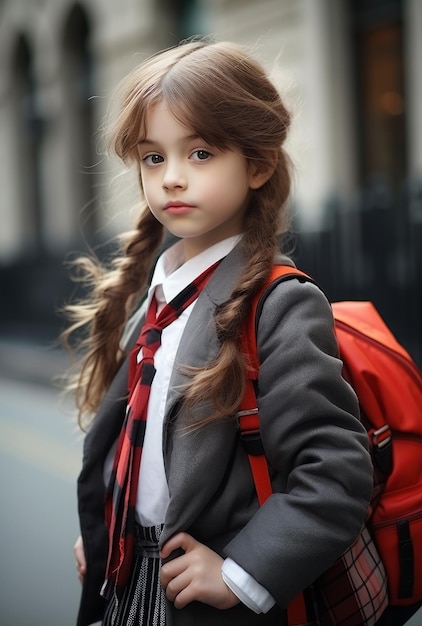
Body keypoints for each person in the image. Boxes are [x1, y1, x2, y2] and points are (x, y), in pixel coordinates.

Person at [64, 39, 383, 626]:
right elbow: (137, 450)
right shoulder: (156, 301)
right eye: (153, 158)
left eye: (202, 153)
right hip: (128, 579)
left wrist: (240, 573)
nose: (172, 179)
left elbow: (335, 470)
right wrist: (110, 531)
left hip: (208, 599)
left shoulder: (280, 305)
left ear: (257, 164)